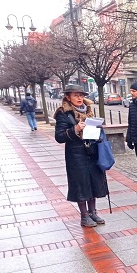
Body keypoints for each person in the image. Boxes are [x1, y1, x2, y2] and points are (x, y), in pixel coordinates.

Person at [53, 84, 108, 227]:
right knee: (81, 184)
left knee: (93, 182)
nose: (79, 98)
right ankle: (84, 216)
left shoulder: (88, 111)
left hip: (91, 152)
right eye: (76, 95)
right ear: (68, 97)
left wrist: (98, 131)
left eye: (81, 95)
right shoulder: (63, 113)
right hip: (76, 155)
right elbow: (59, 136)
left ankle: (93, 212)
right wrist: (74, 129)